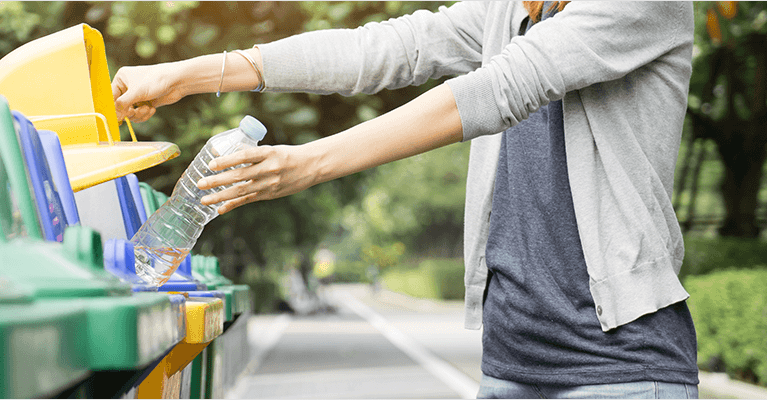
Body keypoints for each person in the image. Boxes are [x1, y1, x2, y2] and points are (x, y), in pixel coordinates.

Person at [111, 1, 699, 398]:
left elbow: (499, 89)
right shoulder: (511, 12)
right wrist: (186, 74)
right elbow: (383, 49)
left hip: (620, 370)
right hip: (511, 366)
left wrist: (307, 163)